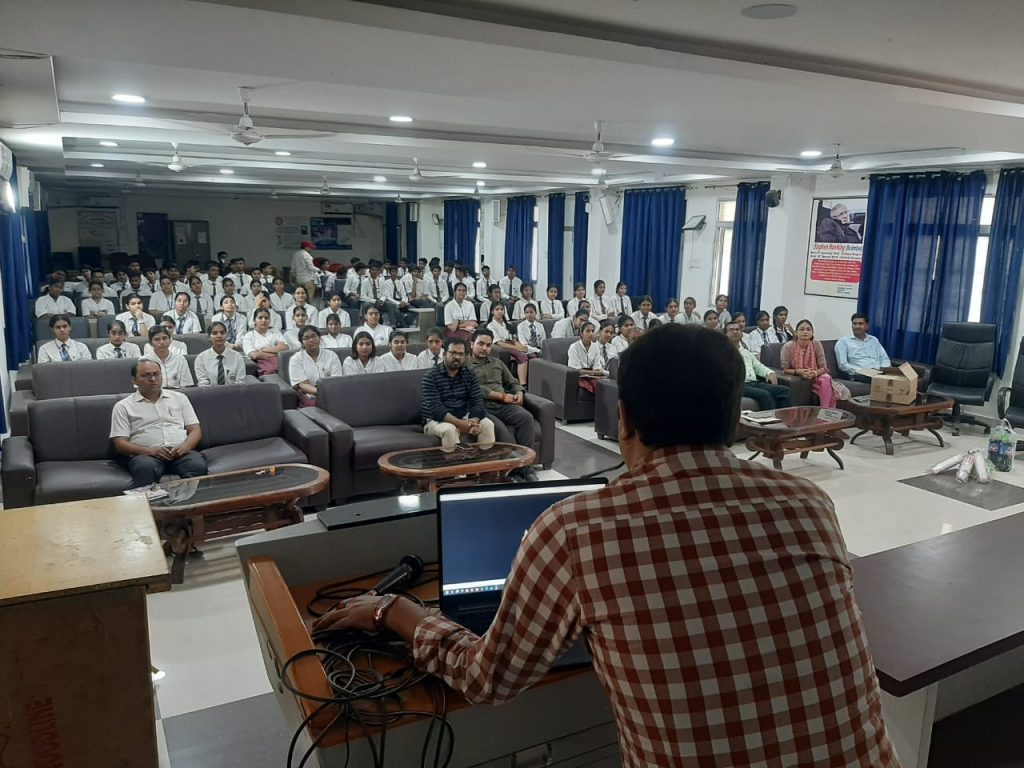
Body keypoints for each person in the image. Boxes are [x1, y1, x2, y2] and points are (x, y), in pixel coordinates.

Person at [313, 324, 898, 767]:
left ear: (624, 420)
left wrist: (396, 610)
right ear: (735, 414)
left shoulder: (577, 528)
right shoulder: (808, 504)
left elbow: (488, 679)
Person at [110, 359, 207, 488]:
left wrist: (186, 446)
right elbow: (120, 444)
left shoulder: (179, 398)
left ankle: (191, 501)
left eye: (156, 374)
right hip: (146, 455)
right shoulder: (123, 406)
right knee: (145, 467)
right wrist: (150, 451)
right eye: (146, 375)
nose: (153, 379)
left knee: (197, 465)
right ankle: (151, 501)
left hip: (180, 453)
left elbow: (195, 429)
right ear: (134, 380)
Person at [467, 329, 538, 481]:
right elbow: (474, 389)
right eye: (480, 344)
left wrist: (519, 393)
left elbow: (513, 382)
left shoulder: (497, 363)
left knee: (526, 417)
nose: (484, 348)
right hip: (481, 407)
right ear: (472, 344)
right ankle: (512, 471)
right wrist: (501, 396)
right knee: (501, 430)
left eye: (488, 345)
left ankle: (526, 467)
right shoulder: (464, 365)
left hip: (503, 405)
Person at [420, 337, 496, 451]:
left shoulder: (469, 374)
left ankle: (484, 461)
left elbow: (477, 401)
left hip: (463, 416)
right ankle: (454, 462)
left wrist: (474, 421)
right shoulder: (430, 376)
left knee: (488, 425)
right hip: (436, 421)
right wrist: (460, 424)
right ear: (444, 354)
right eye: (453, 353)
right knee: (450, 430)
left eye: (461, 354)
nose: (457, 357)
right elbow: (436, 410)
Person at [781, 320, 851, 408]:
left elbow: (824, 368)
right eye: (802, 329)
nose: (805, 332)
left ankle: (825, 410)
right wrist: (799, 372)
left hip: (816, 375)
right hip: (798, 376)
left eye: (808, 329)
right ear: (796, 332)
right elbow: (785, 369)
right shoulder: (788, 347)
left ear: (812, 332)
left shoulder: (816, 344)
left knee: (826, 378)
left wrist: (814, 373)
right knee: (825, 380)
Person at [724, 321, 791, 410]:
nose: (735, 332)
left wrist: (769, 373)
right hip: (738, 385)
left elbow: (758, 366)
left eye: (737, 329)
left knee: (785, 391)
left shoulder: (746, 352)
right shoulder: (722, 353)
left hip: (754, 383)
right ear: (725, 335)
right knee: (765, 395)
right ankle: (769, 418)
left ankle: (782, 417)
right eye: (731, 330)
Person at [288, 324, 343, 406]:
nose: (311, 340)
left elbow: (336, 380)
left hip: (333, 393)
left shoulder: (332, 355)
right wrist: (322, 393)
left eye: (313, 336)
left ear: (319, 338)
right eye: (306, 338)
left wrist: (330, 393)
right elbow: (303, 385)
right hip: (310, 396)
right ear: (302, 343)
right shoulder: (296, 359)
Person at [835, 313, 891, 382]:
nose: (857, 326)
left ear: (867, 326)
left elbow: (884, 358)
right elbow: (843, 365)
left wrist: (883, 370)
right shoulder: (843, 342)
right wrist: (865, 371)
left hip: (879, 373)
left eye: (860, 324)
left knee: (900, 378)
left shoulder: (873, 340)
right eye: (854, 324)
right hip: (860, 375)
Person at [486, 302, 533, 384]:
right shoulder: (491, 326)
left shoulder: (509, 324)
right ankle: (523, 383)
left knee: (532, 355)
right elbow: (499, 343)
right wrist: (517, 348)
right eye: (497, 309)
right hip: (504, 348)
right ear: (492, 312)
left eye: (502, 309)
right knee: (522, 356)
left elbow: (514, 340)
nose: (500, 311)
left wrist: (522, 347)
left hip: (512, 345)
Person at [194, 321, 247, 386]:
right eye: (215, 333)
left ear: (227, 336)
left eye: (222, 333)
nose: (219, 336)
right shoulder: (201, 358)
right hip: (209, 392)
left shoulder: (237, 357)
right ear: (209, 337)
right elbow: (203, 384)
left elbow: (240, 383)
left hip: (234, 391)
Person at [241, 307, 289, 375]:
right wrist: (276, 353)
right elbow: (254, 355)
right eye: (260, 318)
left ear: (270, 320)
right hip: (263, 364)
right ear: (254, 320)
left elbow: (284, 347)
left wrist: (263, 350)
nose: (263, 320)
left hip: (280, 361)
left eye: (266, 318)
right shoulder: (249, 336)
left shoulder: (276, 332)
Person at [567, 321, 610, 393]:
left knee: (606, 386)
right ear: (581, 333)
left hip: (593, 376)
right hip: (579, 377)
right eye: (588, 331)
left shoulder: (595, 347)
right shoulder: (574, 347)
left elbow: (597, 367)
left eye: (592, 331)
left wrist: (597, 372)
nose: (591, 334)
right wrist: (594, 372)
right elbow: (575, 370)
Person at [360, 260, 401, 327]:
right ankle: (369, 325)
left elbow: (385, 295)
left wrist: (381, 300)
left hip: (380, 303)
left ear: (379, 271)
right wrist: (374, 301)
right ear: (369, 271)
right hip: (370, 302)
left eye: (376, 270)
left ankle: (393, 325)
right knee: (366, 304)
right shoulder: (365, 282)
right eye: (373, 270)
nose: (374, 272)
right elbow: (362, 296)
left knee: (390, 304)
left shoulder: (382, 281)